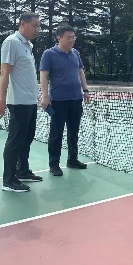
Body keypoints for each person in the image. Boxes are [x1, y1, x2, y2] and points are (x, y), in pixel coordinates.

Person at [0, 12, 43, 193]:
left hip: (30, 101)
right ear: (23, 23)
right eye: (34, 26)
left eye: (39, 27)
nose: (37, 30)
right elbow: (4, 73)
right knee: (15, 141)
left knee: (27, 138)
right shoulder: (11, 42)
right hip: (18, 102)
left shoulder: (28, 45)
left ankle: (22, 170)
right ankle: (9, 180)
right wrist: (1, 100)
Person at [40, 24, 91, 176]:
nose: (72, 40)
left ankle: (72, 159)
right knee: (56, 133)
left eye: (73, 37)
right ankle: (54, 164)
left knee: (74, 132)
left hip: (76, 99)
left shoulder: (75, 53)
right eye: (68, 37)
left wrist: (85, 90)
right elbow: (44, 76)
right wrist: (45, 96)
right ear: (59, 38)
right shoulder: (49, 54)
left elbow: (80, 72)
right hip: (58, 101)